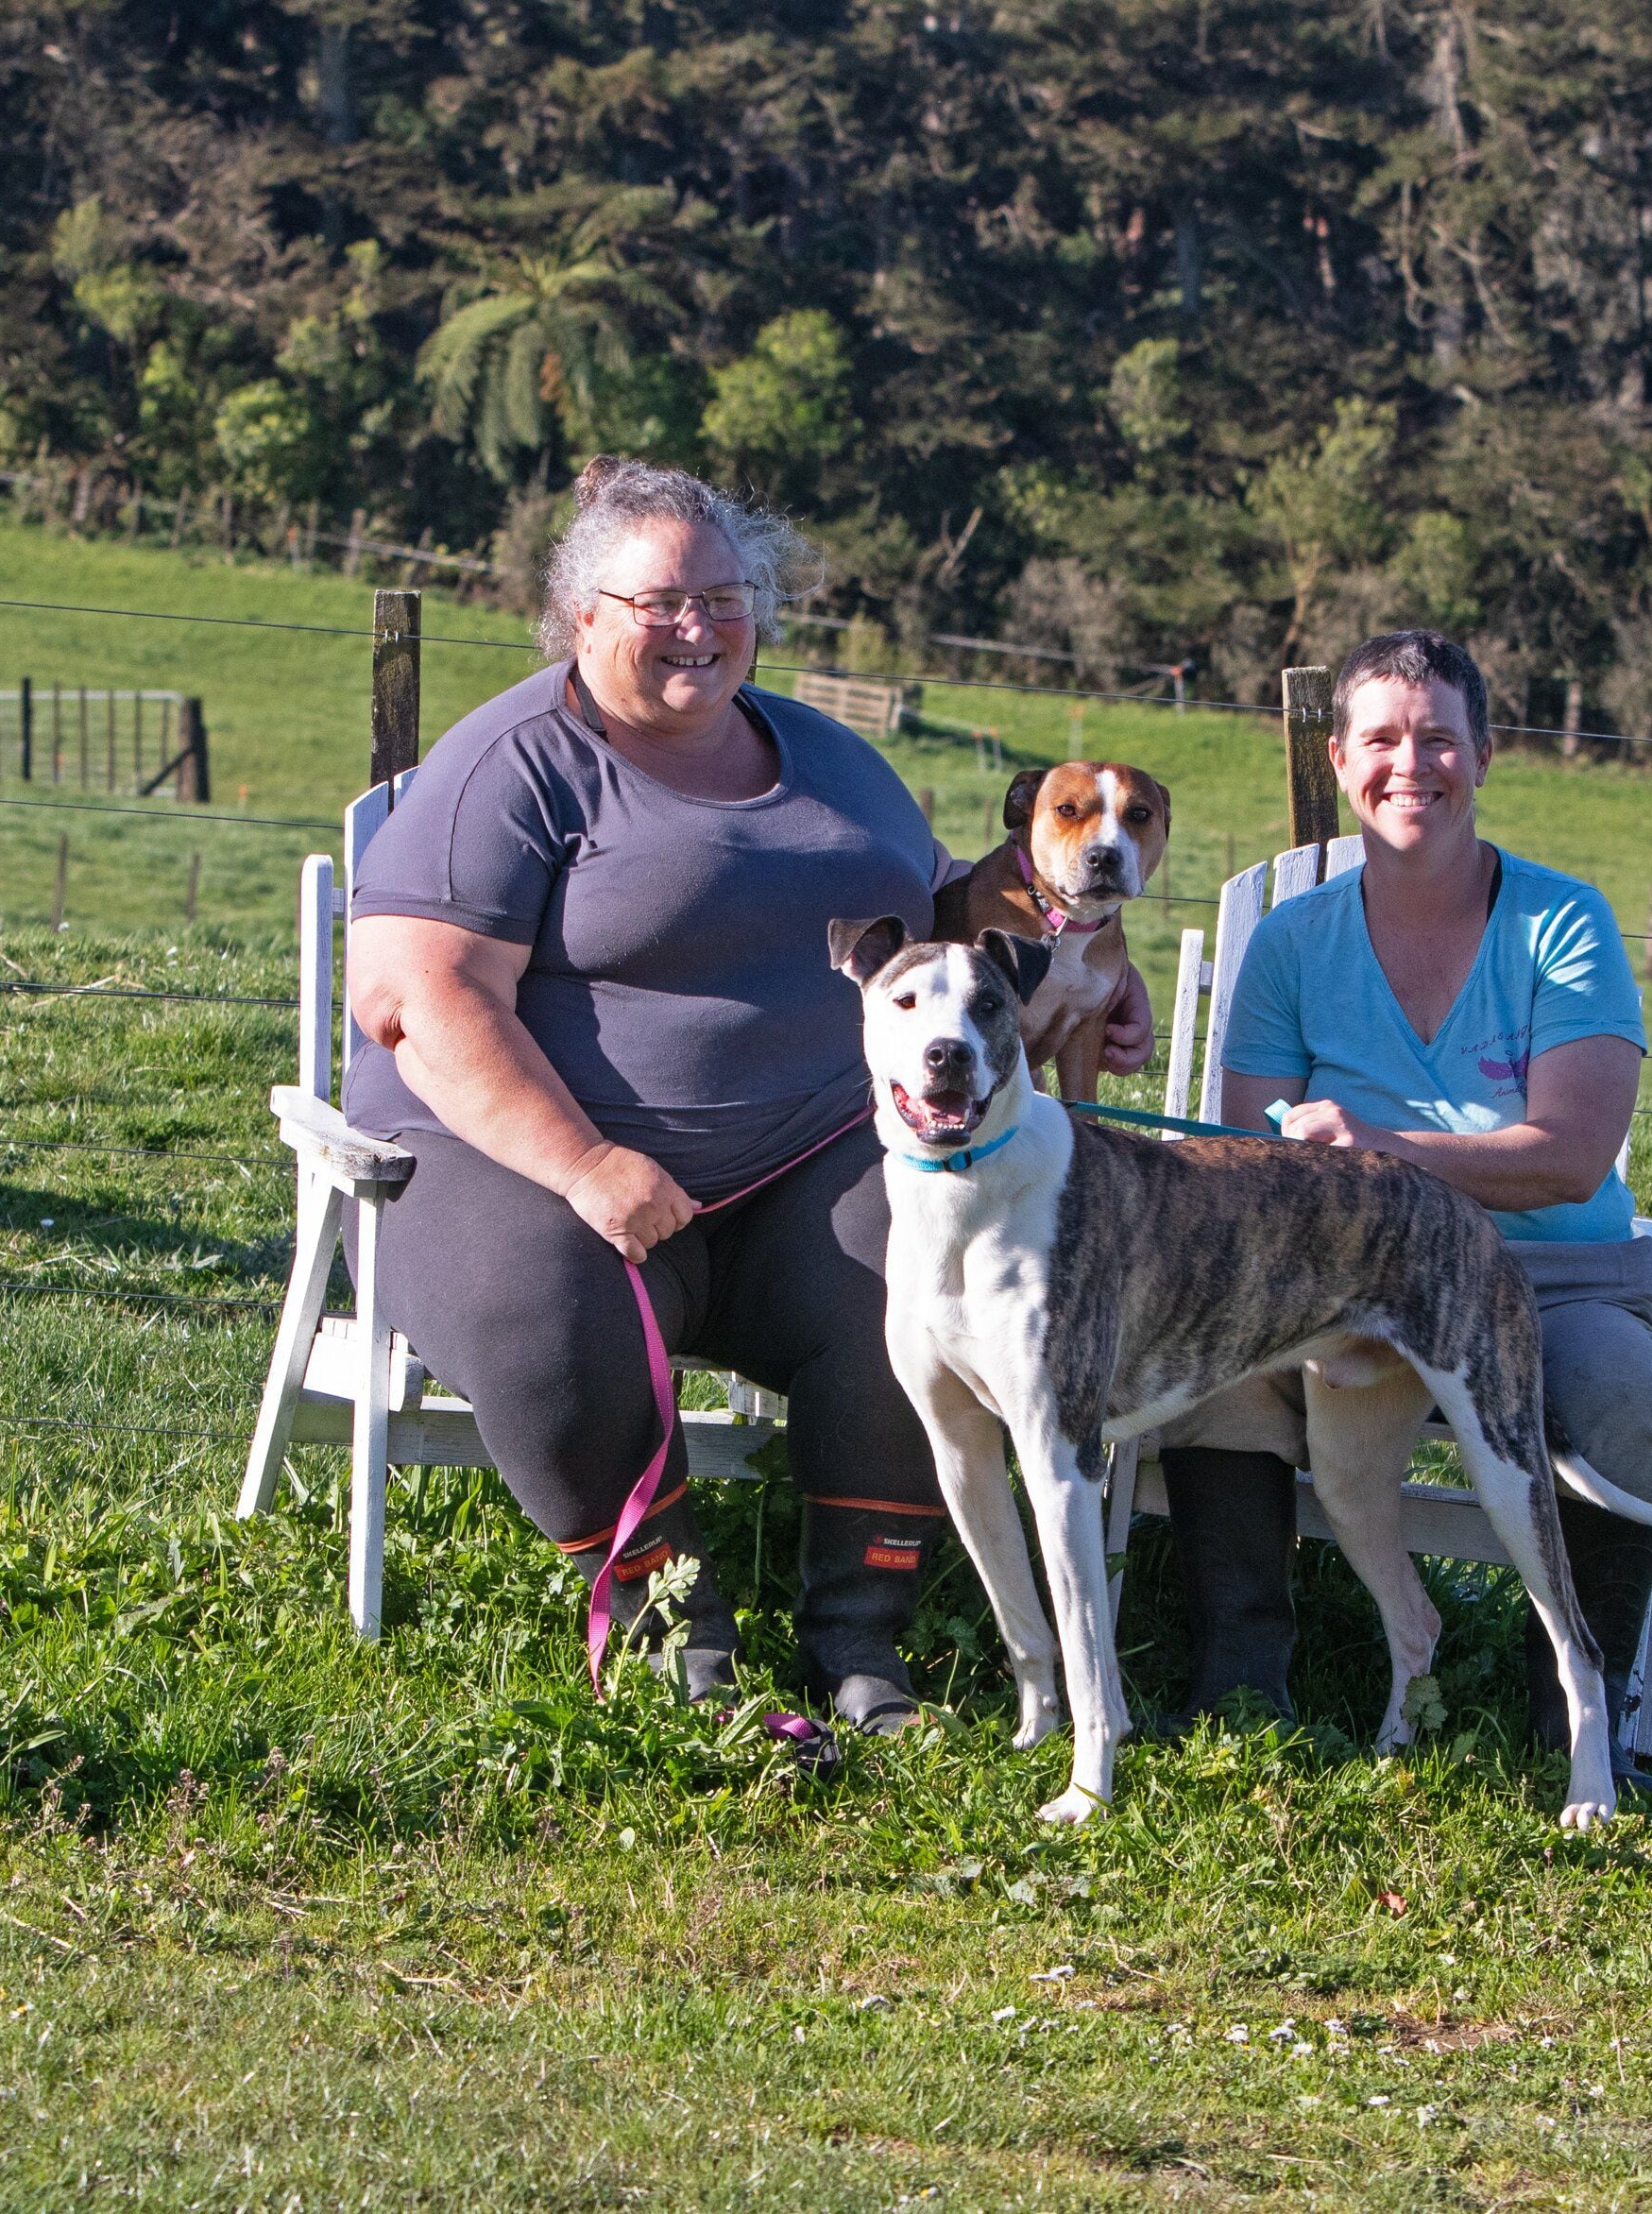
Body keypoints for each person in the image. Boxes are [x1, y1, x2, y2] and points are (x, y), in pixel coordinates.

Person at [343, 456, 1151, 1727]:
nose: (699, 627)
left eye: (724, 598)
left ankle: (865, 1643)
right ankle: (676, 1628)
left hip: (800, 1168)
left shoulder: (832, 760)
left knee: (926, 1254)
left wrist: (1086, 977)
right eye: (661, 601)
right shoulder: (516, 763)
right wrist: (582, 1165)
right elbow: (413, 996)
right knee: (543, 1305)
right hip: (518, 1162)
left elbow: (949, 915)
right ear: (582, 615)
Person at [1157, 628, 1652, 1787]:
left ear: (1486, 755)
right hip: (1339, 1279)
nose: (1414, 765)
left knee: (1626, 1401)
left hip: (1551, 1274)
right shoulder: (1293, 939)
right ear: (1341, 760)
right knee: (1214, 1377)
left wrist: (1382, 1149)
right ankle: (1245, 1688)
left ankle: (1586, 1716)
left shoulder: (1563, 924)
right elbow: (1249, 1156)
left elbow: (1571, 1156)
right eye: (1385, 740)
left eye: (1440, 738)